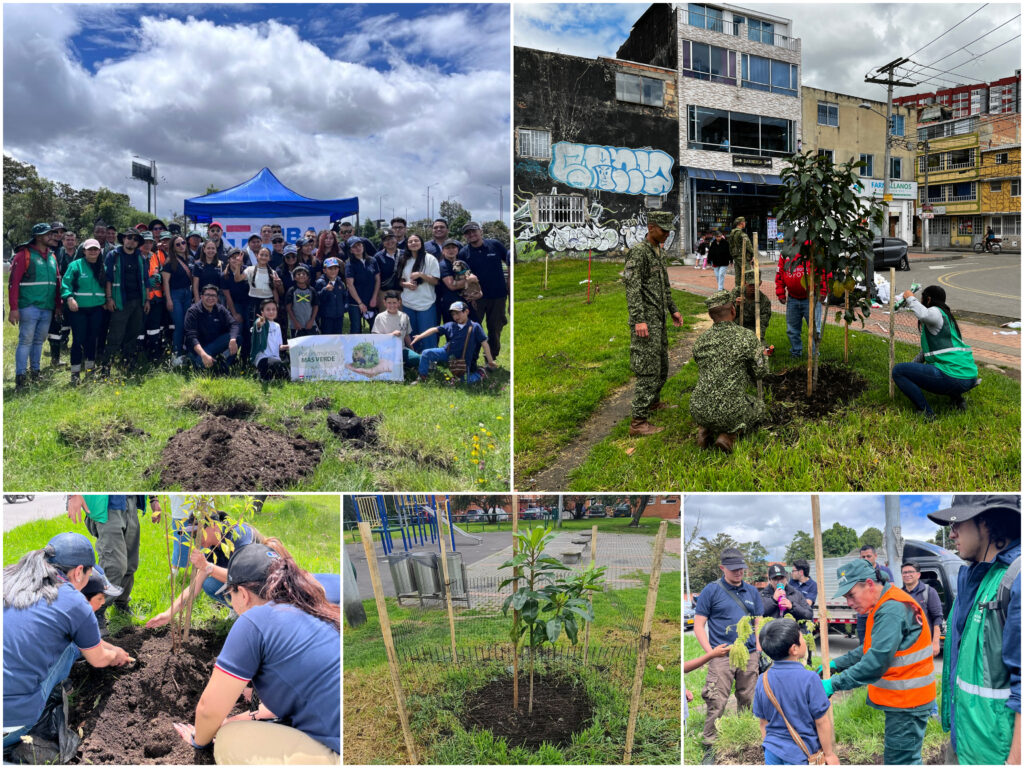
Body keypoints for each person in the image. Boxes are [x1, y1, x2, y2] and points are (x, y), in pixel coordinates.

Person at [171, 542, 340, 764]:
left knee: (228, 740)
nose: (231, 604)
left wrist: (198, 741)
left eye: (230, 596)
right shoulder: (315, 592)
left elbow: (208, 710)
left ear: (243, 593)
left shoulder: (254, 621)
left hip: (337, 752)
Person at [3, 533, 132, 755]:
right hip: (11, 720)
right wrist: (115, 656)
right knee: (72, 646)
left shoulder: (9, 578)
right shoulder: (73, 601)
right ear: (78, 571)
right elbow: (98, 658)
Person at [926, 495, 1020, 765]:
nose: (951, 533)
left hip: (995, 753)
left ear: (987, 523)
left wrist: (1015, 760)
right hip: (963, 740)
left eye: (958, 523)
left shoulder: (1016, 579)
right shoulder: (972, 576)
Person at [825, 558, 936, 764]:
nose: (849, 603)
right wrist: (836, 665)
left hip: (908, 701)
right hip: (905, 700)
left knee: (901, 761)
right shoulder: (884, 603)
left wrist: (834, 684)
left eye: (851, 595)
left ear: (868, 584)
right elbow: (870, 649)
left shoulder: (891, 609)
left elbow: (875, 663)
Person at [693, 547, 764, 764]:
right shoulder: (711, 590)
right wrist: (710, 653)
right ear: (722, 567)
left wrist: (759, 650)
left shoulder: (752, 592)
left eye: (741, 568)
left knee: (749, 698)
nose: (738, 572)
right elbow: (699, 625)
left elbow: (758, 622)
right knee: (717, 699)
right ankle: (710, 744)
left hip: (749, 654)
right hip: (721, 655)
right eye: (733, 569)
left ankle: (747, 737)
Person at [624, 210, 683, 436]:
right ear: (651, 227)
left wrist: (674, 310)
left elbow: (665, 286)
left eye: (669, 229)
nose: (667, 233)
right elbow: (632, 289)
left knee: (661, 365)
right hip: (646, 321)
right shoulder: (639, 253)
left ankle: (653, 402)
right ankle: (638, 423)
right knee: (648, 369)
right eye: (663, 229)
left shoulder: (659, 251)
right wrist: (639, 320)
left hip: (660, 319)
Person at [689, 291, 771, 454]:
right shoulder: (746, 337)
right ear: (733, 311)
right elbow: (761, 372)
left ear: (711, 315)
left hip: (698, 408)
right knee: (759, 408)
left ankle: (705, 430)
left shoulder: (700, 341)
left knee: (713, 407)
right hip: (731, 410)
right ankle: (729, 435)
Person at [66, 495, 160, 630]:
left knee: (130, 563)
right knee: (114, 565)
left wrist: (153, 499)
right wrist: (73, 495)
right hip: (107, 506)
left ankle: (121, 603)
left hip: (130, 501)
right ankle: (96, 610)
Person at [753, 618, 839, 765]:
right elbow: (822, 722)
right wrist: (829, 754)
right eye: (801, 636)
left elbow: (763, 722)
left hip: (772, 751)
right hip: (801, 754)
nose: (804, 639)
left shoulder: (763, 679)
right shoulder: (810, 679)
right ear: (794, 649)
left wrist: (770, 746)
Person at [891, 285, 979, 420]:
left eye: (922, 299)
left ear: (928, 299)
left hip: (954, 377)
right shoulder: (947, 318)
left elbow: (924, 314)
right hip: (969, 377)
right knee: (938, 367)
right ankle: (957, 400)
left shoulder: (936, 312)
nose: (920, 301)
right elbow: (926, 353)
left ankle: (926, 412)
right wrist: (912, 369)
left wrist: (910, 298)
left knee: (898, 371)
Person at [8, 222, 62, 389]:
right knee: (26, 341)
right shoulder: (24, 255)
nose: (52, 237)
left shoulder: (52, 256)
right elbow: (13, 283)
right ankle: (21, 377)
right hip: (29, 306)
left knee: (39, 341)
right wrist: (14, 308)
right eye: (48, 234)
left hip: (47, 307)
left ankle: (35, 372)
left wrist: (58, 305)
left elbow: (57, 282)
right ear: (38, 237)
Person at [100, 229, 149, 376]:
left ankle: (128, 364)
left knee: (133, 334)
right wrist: (109, 299)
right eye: (129, 238)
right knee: (115, 335)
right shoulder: (113, 255)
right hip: (120, 302)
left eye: (135, 239)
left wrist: (147, 300)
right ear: (123, 239)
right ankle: (106, 368)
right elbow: (108, 279)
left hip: (138, 302)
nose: (132, 241)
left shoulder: (140, 257)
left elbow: (145, 280)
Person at [412, 301, 496, 384]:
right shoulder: (450, 325)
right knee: (426, 353)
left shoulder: (474, 326)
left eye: (458, 313)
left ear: (466, 311)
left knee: (464, 382)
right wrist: (420, 336)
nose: (455, 316)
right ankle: (422, 377)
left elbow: (484, 344)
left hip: (463, 359)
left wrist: (490, 361)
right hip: (447, 353)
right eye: (453, 314)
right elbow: (434, 329)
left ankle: (480, 373)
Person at [61, 239, 108, 384]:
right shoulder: (75, 265)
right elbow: (65, 284)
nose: (93, 252)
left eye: (96, 249)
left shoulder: (103, 267)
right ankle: (75, 373)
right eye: (90, 249)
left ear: (99, 251)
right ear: (84, 251)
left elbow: (108, 286)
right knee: (78, 340)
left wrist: (108, 300)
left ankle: (90, 371)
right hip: (79, 309)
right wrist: (69, 298)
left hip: (97, 309)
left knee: (92, 340)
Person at [459, 222, 509, 359]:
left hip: (498, 296)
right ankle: (472, 358)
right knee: (474, 328)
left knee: (495, 328)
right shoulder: (463, 253)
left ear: (481, 231)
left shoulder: (495, 245)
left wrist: (509, 289)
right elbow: (461, 275)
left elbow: (509, 263)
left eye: (474, 231)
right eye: (468, 233)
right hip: (476, 298)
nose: (471, 234)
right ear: (465, 236)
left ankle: (491, 358)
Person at [775, 248, 826, 359]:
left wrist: (823, 291)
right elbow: (780, 273)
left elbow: (824, 271)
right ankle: (796, 352)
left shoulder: (814, 250)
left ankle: (814, 354)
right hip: (793, 299)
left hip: (812, 298)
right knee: (792, 330)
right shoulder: (786, 253)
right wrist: (780, 293)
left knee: (814, 329)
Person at [184, 283, 241, 372]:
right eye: (208, 295)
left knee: (238, 338)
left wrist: (232, 339)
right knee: (200, 363)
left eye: (214, 295)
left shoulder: (220, 309)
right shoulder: (193, 311)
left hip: (215, 344)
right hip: (200, 348)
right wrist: (203, 355)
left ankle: (223, 364)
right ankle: (208, 361)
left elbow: (234, 324)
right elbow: (191, 337)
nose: (211, 298)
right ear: (201, 297)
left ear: (217, 298)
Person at [398, 234, 441, 351]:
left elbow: (435, 281)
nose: (413, 243)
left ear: (421, 243)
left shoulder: (430, 259)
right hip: (408, 303)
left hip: (426, 303)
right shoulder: (404, 260)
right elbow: (400, 280)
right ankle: (415, 359)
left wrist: (421, 274)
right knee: (411, 334)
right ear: (407, 245)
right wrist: (406, 284)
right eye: (410, 241)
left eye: (416, 241)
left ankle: (431, 360)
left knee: (427, 334)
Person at [900, 560, 944, 658]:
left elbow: (938, 618)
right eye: (904, 572)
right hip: (905, 644)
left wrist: (936, 642)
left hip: (924, 643)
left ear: (918, 575)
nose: (907, 574)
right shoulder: (899, 594)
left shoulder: (929, 592)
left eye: (911, 572)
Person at [161, 235, 194, 365]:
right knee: (179, 325)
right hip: (175, 295)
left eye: (183, 243)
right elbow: (166, 282)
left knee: (187, 325)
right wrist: (168, 299)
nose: (181, 246)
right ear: (173, 248)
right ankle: (176, 355)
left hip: (188, 293)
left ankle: (185, 352)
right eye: (178, 244)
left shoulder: (190, 258)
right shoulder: (170, 261)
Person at [48, 228, 78, 368]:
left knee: (76, 320)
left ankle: (76, 348)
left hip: (77, 293)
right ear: (63, 241)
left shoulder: (80, 254)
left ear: (76, 241)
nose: (70, 242)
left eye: (72, 240)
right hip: (60, 292)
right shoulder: (55, 254)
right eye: (67, 240)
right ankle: (59, 349)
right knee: (59, 322)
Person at [372, 291, 421, 370]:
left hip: (401, 349)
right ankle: (400, 367)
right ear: (384, 303)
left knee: (418, 358)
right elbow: (376, 338)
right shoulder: (380, 317)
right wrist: (391, 335)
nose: (392, 305)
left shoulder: (404, 316)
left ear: (399, 302)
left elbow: (406, 335)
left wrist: (412, 350)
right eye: (389, 303)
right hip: (385, 351)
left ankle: (406, 366)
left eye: (394, 302)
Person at [855, 544, 893, 644]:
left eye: (869, 556)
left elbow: (891, 591)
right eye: (863, 557)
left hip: (880, 614)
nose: (866, 559)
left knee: (881, 643)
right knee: (864, 645)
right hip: (864, 615)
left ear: (875, 556)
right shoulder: (858, 572)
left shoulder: (885, 570)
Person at [142, 231, 169, 362]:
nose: (147, 245)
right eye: (144, 242)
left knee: (155, 328)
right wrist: (146, 281)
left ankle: (154, 354)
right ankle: (139, 353)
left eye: (149, 242)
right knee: (140, 329)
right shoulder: (136, 256)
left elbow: (160, 270)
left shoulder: (155, 256)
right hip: (142, 298)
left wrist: (160, 276)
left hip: (156, 298)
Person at [344, 239, 379, 332]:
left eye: (359, 245)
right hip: (355, 303)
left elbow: (377, 280)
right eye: (354, 247)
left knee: (375, 328)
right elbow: (350, 285)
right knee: (356, 329)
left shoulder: (372, 260)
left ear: (363, 246)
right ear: (351, 250)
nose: (358, 248)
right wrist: (360, 303)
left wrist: (374, 297)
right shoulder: (350, 264)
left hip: (370, 300)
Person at [250, 299, 290, 382]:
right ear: (262, 312)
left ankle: (264, 375)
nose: (271, 312)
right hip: (262, 358)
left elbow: (280, 347)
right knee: (276, 366)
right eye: (268, 309)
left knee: (286, 375)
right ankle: (261, 374)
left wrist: (290, 346)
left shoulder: (277, 326)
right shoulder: (261, 322)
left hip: (275, 358)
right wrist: (260, 323)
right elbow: (258, 326)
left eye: (274, 309)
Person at [437, 238, 471, 323]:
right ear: (443, 251)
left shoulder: (463, 263)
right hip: (451, 304)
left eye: (453, 247)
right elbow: (452, 286)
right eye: (448, 248)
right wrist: (470, 280)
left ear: (457, 249)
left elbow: (471, 279)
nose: (451, 250)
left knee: (470, 329)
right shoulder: (443, 265)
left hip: (466, 301)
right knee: (454, 331)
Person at [286, 265, 319, 337]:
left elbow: (315, 306)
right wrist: (295, 322)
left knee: (312, 345)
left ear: (307, 277)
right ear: (294, 277)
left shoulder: (312, 290)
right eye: (298, 274)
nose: (301, 275)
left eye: (304, 274)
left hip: (310, 324)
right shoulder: (291, 290)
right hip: (297, 325)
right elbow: (289, 308)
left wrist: (312, 320)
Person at [317, 257, 348, 334]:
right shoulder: (320, 282)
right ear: (324, 270)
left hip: (339, 316)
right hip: (326, 317)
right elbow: (317, 299)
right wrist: (325, 290)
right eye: (330, 269)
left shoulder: (340, 282)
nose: (333, 271)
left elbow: (345, 296)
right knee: (327, 337)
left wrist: (345, 307)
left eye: (335, 268)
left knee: (338, 335)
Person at [192, 239, 222, 304]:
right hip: (202, 298)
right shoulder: (197, 265)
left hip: (217, 299)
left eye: (213, 248)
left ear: (216, 250)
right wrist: (197, 299)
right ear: (204, 249)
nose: (210, 250)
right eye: (208, 248)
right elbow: (195, 286)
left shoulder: (220, 265)